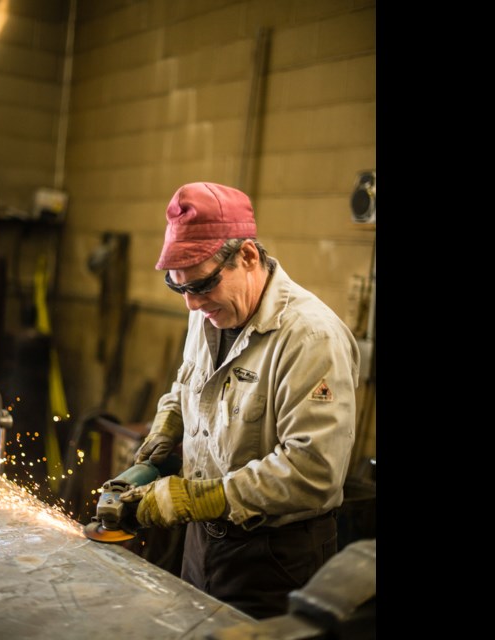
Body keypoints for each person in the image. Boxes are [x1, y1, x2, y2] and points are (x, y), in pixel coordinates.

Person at [119, 181, 361, 619]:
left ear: (248, 256)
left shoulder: (310, 337)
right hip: (203, 545)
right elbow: (188, 383)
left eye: (203, 284)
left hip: (275, 563)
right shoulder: (209, 311)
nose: (192, 304)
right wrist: (167, 424)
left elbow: (315, 471)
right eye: (181, 290)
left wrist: (200, 498)